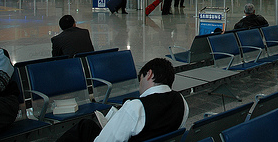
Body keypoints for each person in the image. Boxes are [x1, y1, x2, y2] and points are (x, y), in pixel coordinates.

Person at [57, 57, 189, 142]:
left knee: (83, 127)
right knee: (88, 126)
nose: (139, 87)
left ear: (149, 74)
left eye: (140, 80)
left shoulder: (136, 107)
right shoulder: (181, 102)